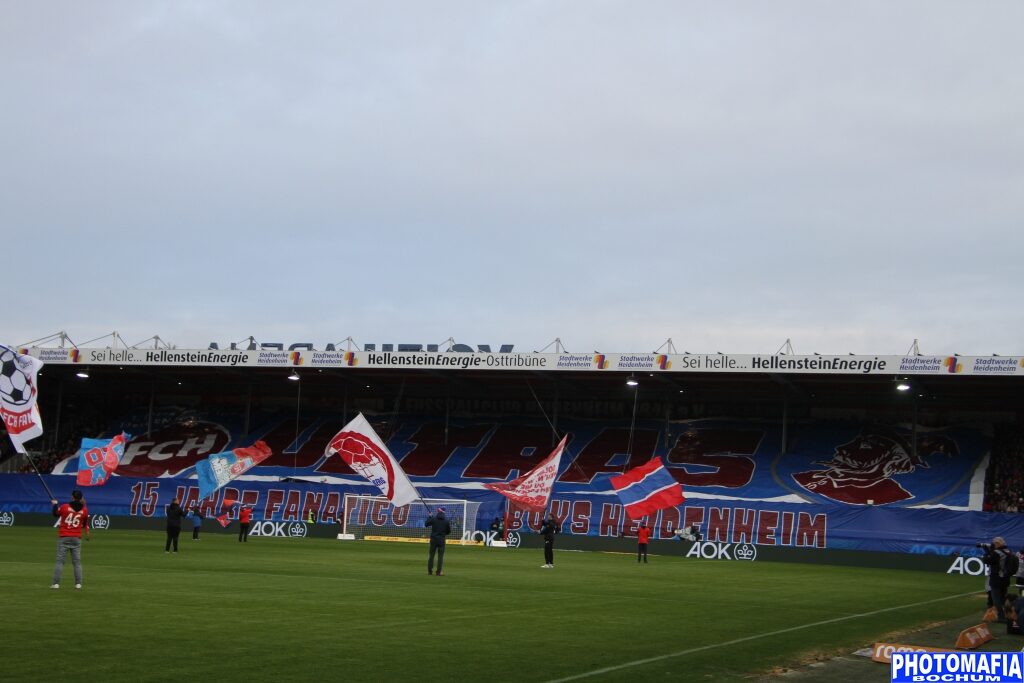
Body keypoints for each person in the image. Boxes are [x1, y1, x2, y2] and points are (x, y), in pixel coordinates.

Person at [51, 490, 90, 589]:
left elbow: (55, 514)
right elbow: (85, 524)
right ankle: (78, 584)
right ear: (81, 498)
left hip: (64, 537)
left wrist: (55, 504)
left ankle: (56, 584)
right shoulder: (84, 510)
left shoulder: (64, 507)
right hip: (76, 538)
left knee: (60, 561)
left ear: (72, 497)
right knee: (77, 562)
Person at [984, 537, 1015, 622]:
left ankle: (1001, 616)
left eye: (994, 543)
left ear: (997, 544)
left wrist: (987, 552)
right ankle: (1008, 615)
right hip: (1005, 578)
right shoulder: (1008, 551)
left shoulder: (997, 553)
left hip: (996, 578)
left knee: (996, 599)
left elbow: (987, 560)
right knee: (1004, 598)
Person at [425, 506, 451, 576]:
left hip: (433, 540)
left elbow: (426, 524)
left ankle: (430, 571)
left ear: (438, 512)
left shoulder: (433, 519)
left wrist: (430, 517)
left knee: (431, 556)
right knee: (440, 557)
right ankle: (438, 572)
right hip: (441, 540)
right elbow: (448, 532)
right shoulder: (446, 521)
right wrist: (443, 533)